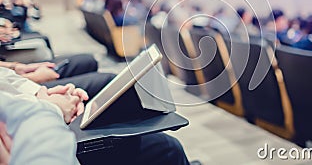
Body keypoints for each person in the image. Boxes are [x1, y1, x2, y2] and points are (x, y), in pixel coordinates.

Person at [0, 69, 192, 165]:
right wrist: (53, 108)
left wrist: (38, 93)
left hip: (33, 111)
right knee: (167, 147)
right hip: (41, 135)